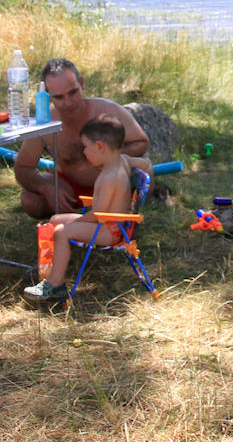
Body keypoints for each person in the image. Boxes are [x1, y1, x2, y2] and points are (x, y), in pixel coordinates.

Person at [22, 115, 153, 303]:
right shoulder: (122, 160)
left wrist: (73, 223)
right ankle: (48, 268)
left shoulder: (110, 177)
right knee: (54, 220)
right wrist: (142, 178)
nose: (84, 152)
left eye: (86, 147)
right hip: (110, 223)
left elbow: (97, 215)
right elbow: (145, 164)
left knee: (61, 231)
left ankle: (55, 284)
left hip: (110, 231)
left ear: (100, 147)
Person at [13, 58, 148, 217]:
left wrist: (114, 158)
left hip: (115, 185)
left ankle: (124, 211)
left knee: (146, 170)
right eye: (59, 97)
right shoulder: (45, 124)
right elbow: (22, 168)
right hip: (72, 187)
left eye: (73, 92)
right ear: (48, 97)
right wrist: (47, 188)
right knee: (30, 200)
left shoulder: (107, 110)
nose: (68, 103)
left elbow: (141, 142)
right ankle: (78, 213)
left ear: (82, 84)